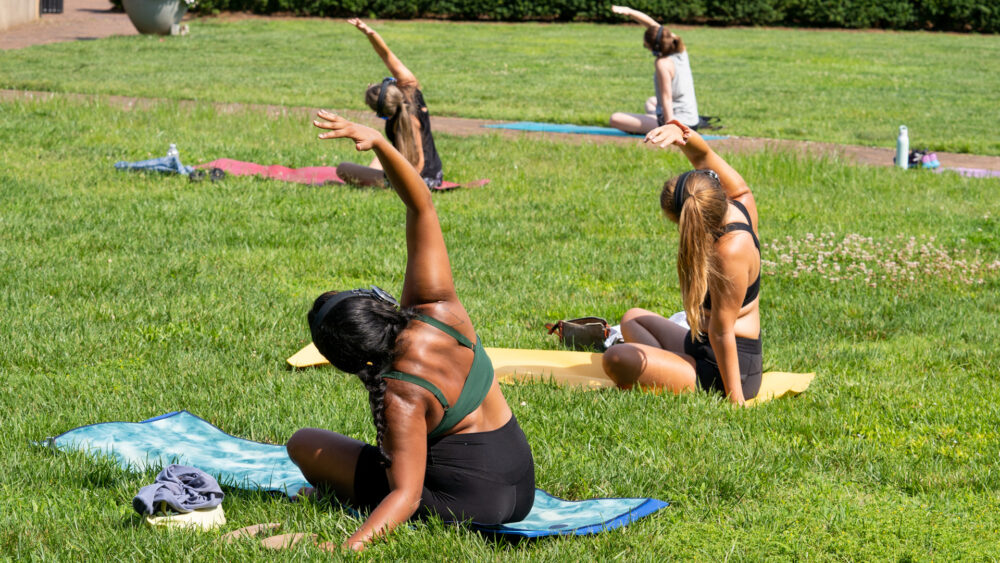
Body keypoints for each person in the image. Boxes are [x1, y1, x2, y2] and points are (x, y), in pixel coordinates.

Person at [286, 112, 534, 551]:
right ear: (377, 305)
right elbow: (421, 204)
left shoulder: (399, 392)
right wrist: (380, 144)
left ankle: (346, 502)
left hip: (470, 505)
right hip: (522, 489)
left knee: (304, 445)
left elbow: (407, 494)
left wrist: (347, 548)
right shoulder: (439, 309)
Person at [602, 120, 762, 405]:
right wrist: (683, 135)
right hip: (699, 343)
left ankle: (678, 370)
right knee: (632, 318)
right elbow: (705, 158)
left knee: (616, 359)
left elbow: (722, 331)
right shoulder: (739, 204)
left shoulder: (731, 252)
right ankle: (672, 365)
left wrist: (736, 401)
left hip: (727, 370)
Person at [335, 18, 444, 190]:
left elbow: (418, 164)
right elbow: (387, 56)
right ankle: (375, 179)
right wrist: (370, 34)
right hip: (433, 175)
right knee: (382, 151)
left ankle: (377, 182)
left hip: (419, 182)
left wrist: (396, 183)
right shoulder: (411, 89)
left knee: (343, 169)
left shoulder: (405, 124)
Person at [608, 5, 701, 135]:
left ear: (654, 48)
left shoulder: (662, 64)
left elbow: (666, 97)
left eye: (646, 47)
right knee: (651, 102)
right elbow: (652, 25)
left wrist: (669, 128)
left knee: (615, 118)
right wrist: (629, 12)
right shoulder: (680, 49)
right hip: (692, 118)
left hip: (679, 124)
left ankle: (666, 127)